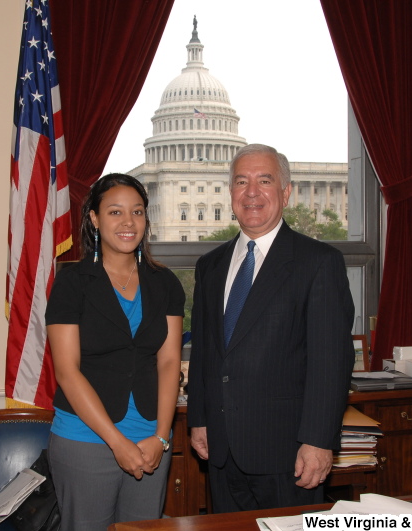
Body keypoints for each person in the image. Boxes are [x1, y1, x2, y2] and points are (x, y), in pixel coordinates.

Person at [187, 143, 355, 512]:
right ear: (230, 192)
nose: (252, 192)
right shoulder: (210, 266)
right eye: (241, 181)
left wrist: (318, 441)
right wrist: (198, 420)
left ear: (286, 191)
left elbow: (331, 364)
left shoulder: (318, 263)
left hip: (288, 453)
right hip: (220, 448)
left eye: (265, 180)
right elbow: (204, 352)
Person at [45, 173, 185, 530]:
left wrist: (162, 437)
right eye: (115, 212)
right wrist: (117, 442)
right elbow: (67, 372)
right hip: (86, 439)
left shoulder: (164, 282)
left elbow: (169, 361)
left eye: (137, 212)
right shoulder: (72, 282)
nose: (128, 222)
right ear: (94, 218)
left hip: (153, 440)